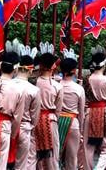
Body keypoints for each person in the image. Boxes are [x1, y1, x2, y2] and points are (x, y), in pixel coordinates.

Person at [9, 40, 41, 170]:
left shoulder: (9, 84)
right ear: (30, 70)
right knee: (21, 164)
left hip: (7, 126)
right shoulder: (34, 90)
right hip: (24, 128)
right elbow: (35, 116)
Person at [83, 46, 106, 170]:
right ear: (104, 65)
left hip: (89, 113)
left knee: (88, 146)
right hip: (104, 113)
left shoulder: (87, 80)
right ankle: (100, 168)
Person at [34, 42, 63, 170]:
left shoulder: (34, 82)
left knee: (37, 153)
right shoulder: (58, 86)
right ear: (53, 66)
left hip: (35, 120)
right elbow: (58, 109)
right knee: (53, 152)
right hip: (51, 120)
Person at [58, 49, 85, 170]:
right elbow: (81, 112)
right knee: (72, 157)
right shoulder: (78, 89)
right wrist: (82, 130)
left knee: (56, 155)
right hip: (73, 123)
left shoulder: (56, 85)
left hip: (57, 121)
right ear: (74, 71)